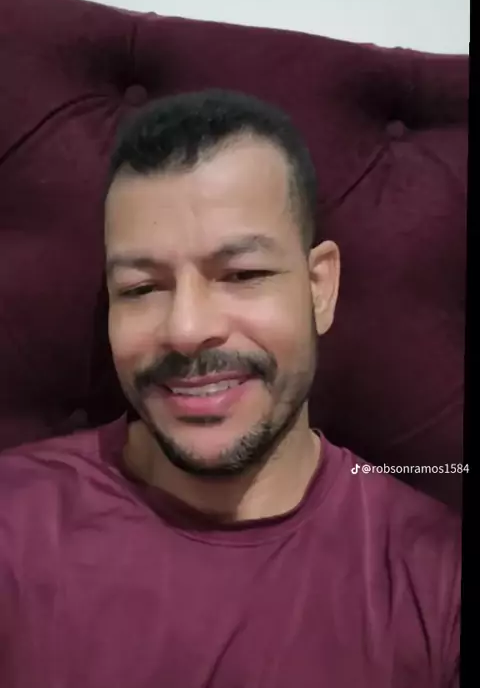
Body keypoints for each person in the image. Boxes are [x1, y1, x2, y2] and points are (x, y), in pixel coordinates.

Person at [0, 90, 460, 687]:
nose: (187, 329)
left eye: (242, 274)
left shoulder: (435, 578)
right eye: (141, 288)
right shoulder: (15, 520)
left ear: (319, 289)